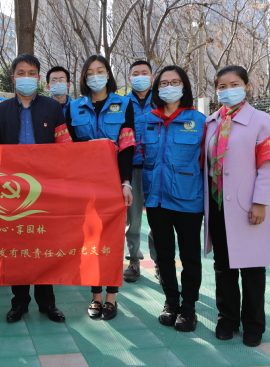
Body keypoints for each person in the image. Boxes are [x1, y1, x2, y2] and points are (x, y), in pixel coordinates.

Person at [204, 65, 270, 347]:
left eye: (235, 84)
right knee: (223, 265)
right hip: (218, 204)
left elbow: (269, 164)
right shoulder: (211, 122)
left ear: (247, 86)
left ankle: (254, 324)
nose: (228, 90)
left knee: (252, 267)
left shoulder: (262, 121)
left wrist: (260, 202)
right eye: (222, 86)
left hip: (247, 205)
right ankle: (227, 319)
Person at [0, 53, 68, 324]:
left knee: (45, 245)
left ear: (39, 78)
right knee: (18, 247)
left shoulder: (53, 108)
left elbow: (64, 147)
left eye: (31, 73)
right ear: (13, 79)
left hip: (45, 188)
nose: (26, 78)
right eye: (21, 73)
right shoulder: (0, 110)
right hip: (13, 190)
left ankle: (48, 303)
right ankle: (19, 303)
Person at [65, 55, 135, 321]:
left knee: (113, 239)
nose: (95, 76)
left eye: (100, 70)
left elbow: (127, 147)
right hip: (85, 184)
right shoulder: (73, 107)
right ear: (84, 77)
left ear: (108, 74)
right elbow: (67, 149)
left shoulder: (124, 104)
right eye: (90, 72)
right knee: (91, 240)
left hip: (113, 182)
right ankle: (95, 295)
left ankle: (111, 297)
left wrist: (125, 183)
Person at [140, 65, 206, 332]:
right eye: (164, 83)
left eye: (175, 82)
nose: (169, 87)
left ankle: (188, 307)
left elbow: (207, 161)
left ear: (184, 86)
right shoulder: (147, 120)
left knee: (190, 256)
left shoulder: (199, 121)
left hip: (189, 200)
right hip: (156, 200)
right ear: (157, 89)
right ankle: (171, 302)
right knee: (164, 255)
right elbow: (137, 156)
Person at [123, 60, 158, 283]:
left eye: (144, 73)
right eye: (135, 73)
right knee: (133, 219)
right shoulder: (122, 103)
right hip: (133, 167)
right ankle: (134, 261)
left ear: (152, 77)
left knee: (158, 218)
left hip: (157, 167)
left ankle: (159, 262)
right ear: (129, 78)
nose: (140, 77)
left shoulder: (162, 100)